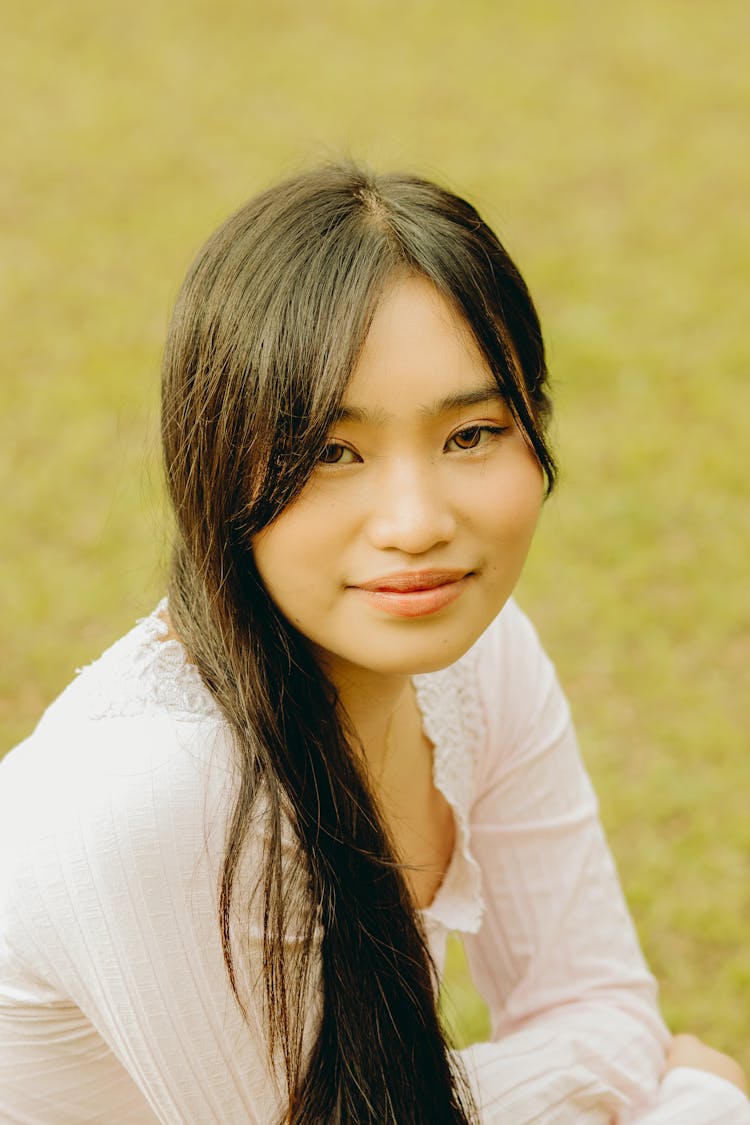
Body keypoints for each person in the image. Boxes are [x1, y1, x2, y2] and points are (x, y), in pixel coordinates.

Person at [0, 163, 746, 1125]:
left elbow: (598, 1007)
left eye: (472, 434)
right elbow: (635, 1061)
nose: (415, 522)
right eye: (331, 452)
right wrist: (699, 1098)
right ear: (214, 464)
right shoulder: (151, 794)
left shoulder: (477, 658)